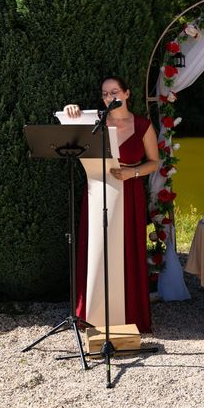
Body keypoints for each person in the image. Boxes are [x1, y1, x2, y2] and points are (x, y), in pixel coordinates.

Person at [64, 76, 159, 333]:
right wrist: (71, 110)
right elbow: (70, 120)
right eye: (105, 94)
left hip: (129, 191)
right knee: (97, 249)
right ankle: (93, 314)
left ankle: (130, 314)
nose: (109, 98)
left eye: (114, 92)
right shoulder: (95, 122)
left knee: (127, 248)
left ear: (127, 94)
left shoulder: (142, 125)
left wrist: (134, 173)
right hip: (97, 191)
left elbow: (154, 162)